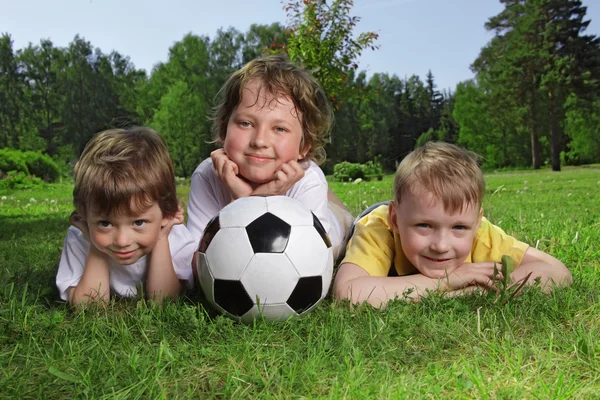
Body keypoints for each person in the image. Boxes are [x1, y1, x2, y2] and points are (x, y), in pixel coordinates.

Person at [333, 141, 572, 307]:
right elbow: (348, 294)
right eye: (424, 226)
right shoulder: (379, 228)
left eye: (459, 228)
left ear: (477, 223)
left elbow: (557, 271)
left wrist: (475, 291)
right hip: (370, 215)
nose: (441, 245)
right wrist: (449, 282)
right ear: (396, 220)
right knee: (340, 224)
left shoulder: (481, 233)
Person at [187, 54, 353, 260]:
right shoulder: (206, 176)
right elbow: (195, 265)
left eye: (280, 128)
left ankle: (340, 209)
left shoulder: (308, 180)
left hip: (334, 229)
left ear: (304, 147)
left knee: (352, 225)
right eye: (245, 123)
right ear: (224, 130)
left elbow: (312, 260)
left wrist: (256, 198)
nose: (259, 141)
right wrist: (243, 201)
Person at [56, 127, 197, 305]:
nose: (122, 241)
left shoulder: (177, 238)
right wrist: (95, 246)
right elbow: (90, 308)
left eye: (138, 222)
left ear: (166, 213)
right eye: (105, 223)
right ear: (84, 214)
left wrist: (161, 238)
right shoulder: (79, 239)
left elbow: (164, 302)